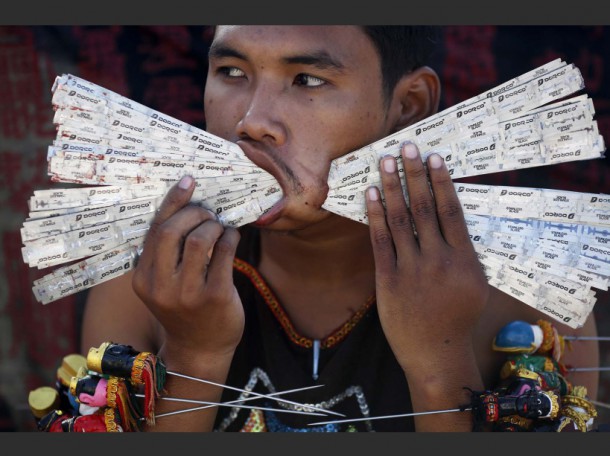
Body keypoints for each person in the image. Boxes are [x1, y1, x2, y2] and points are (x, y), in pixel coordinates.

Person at [80, 25, 600, 432]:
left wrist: (437, 360)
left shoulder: (527, 296)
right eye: (232, 71)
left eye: (308, 79)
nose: (251, 122)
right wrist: (195, 352)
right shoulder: (147, 274)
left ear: (409, 105)